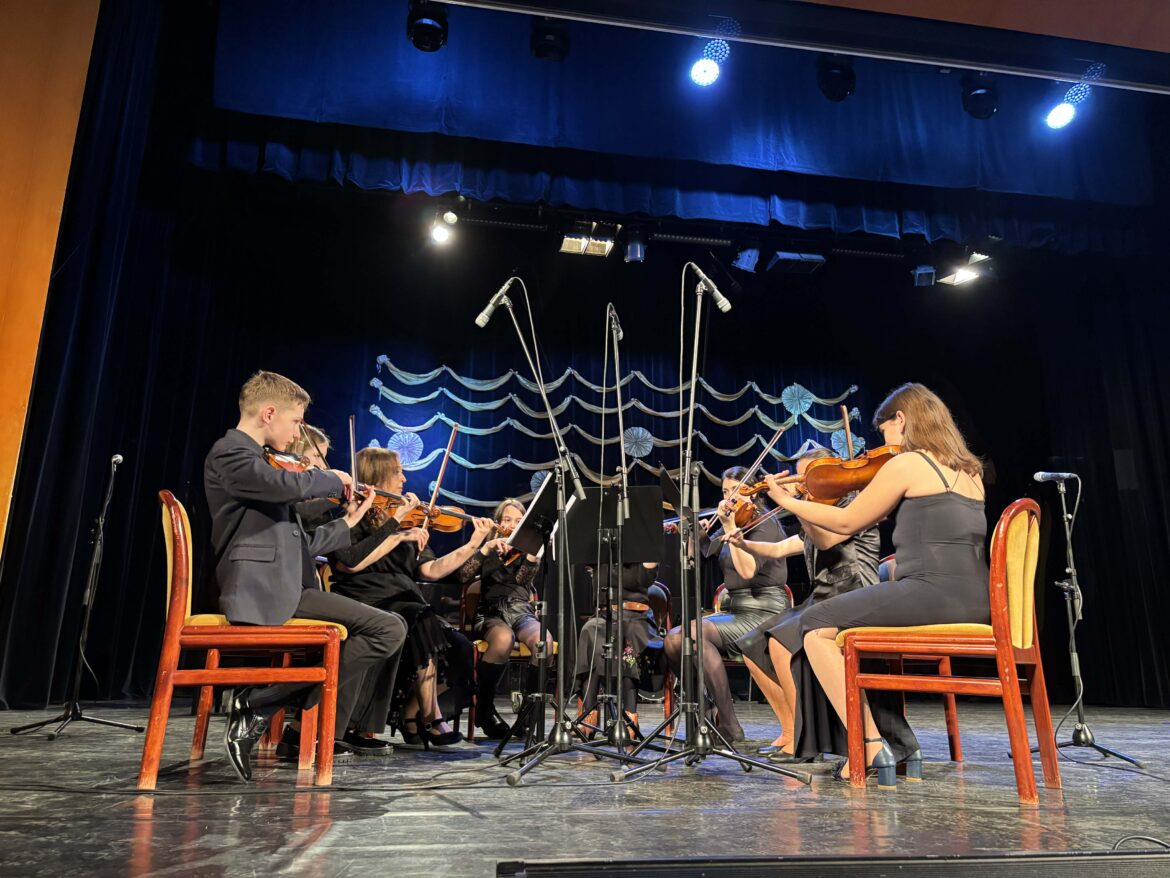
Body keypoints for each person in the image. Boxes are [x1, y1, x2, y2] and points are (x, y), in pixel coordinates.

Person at [762, 383, 987, 783]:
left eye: (884, 431)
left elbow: (847, 522)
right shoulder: (972, 471)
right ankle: (899, 746)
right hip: (977, 600)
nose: (884, 443)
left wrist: (789, 502)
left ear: (901, 419)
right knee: (852, 630)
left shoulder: (909, 463)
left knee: (814, 625)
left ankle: (868, 746)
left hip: (930, 593)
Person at [204, 371, 407, 781]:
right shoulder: (231, 453)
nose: (298, 433)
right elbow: (283, 486)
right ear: (269, 413)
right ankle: (260, 702)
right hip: (261, 589)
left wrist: (349, 519)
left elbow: (300, 538)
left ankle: (261, 702)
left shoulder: (258, 465)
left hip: (288, 586)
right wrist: (331, 479)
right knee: (388, 629)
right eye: (296, 421)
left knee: (390, 628)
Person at [329, 447, 491, 749]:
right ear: (377, 476)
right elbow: (350, 562)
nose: (404, 478)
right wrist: (397, 530)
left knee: (459, 646)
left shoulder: (406, 522)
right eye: (398, 472)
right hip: (367, 599)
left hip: (407, 601)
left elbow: (431, 570)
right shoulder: (353, 516)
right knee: (421, 618)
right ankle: (430, 716)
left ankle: (412, 714)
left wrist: (474, 544)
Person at [728, 446, 879, 762]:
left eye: (807, 476)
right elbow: (780, 548)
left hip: (852, 594)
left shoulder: (853, 506)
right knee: (752, 644)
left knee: (781, 641)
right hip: (822, 597)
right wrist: (744, 542)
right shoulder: (816, 510)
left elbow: (826, 539)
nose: (801, 483)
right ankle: (791, 729)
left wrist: (791, 503)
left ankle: (803, 740)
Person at [663, 466, 791, 743]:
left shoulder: (765, 523)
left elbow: (747, 570)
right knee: (674, 640)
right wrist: (695, 534)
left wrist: (731, 527)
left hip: (765, 610)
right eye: (724, 492)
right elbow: (703, 555)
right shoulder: (734, 521)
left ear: (753, 492)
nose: (728, 498)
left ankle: (729, 724)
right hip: (734, 609)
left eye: (735, 490)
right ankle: (706, 712)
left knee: (692, 635)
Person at [457, 498, 547, 740]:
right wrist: (485, 549)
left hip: (520, 611)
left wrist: (532, 556)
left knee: (544, 642)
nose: (512, 525)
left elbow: (521, 580)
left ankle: (528, 713)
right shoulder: (488, 549)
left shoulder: (527, 551)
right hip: (490, 613)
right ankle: (484, 709)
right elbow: (463, 576)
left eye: (518, 521)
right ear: (497, 523)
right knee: (503, 639)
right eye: (507, 520)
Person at [571, 561, 662, 735]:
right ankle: (589, 714)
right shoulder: (603, 552)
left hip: (637, 618)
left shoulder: (642, 550)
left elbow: (645, 579)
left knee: (627, 633)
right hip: (605, 616)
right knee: (589, 630)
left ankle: (630, 716)